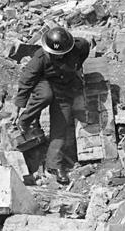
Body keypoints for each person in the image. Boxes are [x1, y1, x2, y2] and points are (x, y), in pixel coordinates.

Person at [13, 26, 90, 185]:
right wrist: (19, 107)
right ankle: (25, 120)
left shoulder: (79, 46)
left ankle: (54, 165)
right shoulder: (41, 57)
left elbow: (84, 52)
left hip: (65, 89)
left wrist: (76, 69)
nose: (57, 57)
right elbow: (27, 80)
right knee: (45, 95)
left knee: (60, 127)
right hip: (45, 83)